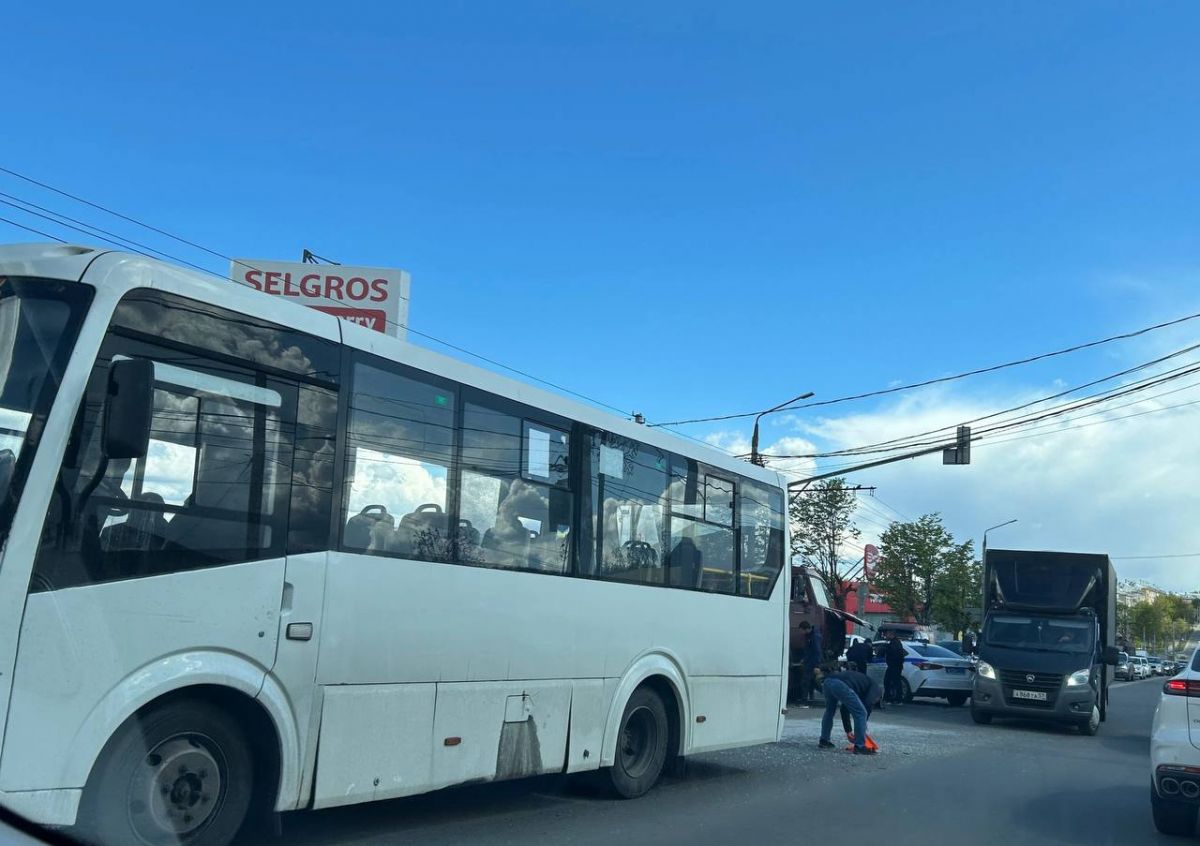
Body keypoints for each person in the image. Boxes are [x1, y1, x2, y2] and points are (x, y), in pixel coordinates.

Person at [818, 669, 882, 755]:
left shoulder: (863, 685)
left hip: (828, 681)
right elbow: (867, 705)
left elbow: (844, 708)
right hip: (840, 684)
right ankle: (860, 746)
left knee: (830, 711)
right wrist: (862, 730)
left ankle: (824, 740)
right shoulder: (876, 690)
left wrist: (848, 730)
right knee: (861, 713)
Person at [798, 621, 822, 708]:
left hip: (812, 663)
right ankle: (809, 698)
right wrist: (804, 659)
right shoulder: (809, 636)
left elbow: (817, 651)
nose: (801, 632)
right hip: (808, 662)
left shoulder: (814, 637)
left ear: (806, 629)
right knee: (810, 681)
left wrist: (816, 665)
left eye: (801, 630)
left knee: (805, 682)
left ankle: (804, 702)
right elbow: (808, 650)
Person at [884, 632, 907, 705]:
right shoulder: (898, 643)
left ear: (892, 635)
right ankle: (898, 699)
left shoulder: (893, 644)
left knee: (888, 682)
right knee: (897, 682)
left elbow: (892, 654)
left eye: (887, 634)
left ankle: (889, 699)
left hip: (893, 666)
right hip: (897, 666)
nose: (886, 636)